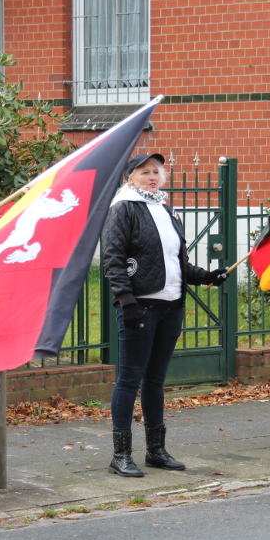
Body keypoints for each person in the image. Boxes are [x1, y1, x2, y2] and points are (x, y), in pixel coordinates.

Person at [101, 153, 229, 477]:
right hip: (140, 307)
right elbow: (113, 260)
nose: (152, 177)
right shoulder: (123, 208)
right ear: (130, 177)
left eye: (156, 171)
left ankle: (156, 451)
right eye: (144, 172)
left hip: (171, 306)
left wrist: (205, 276)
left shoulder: (165, 209)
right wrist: (126, 301)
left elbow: (175, 261)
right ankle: (121, 455)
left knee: (155, 381)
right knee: (129, 380)